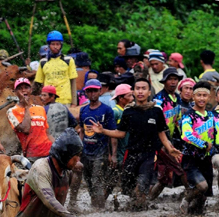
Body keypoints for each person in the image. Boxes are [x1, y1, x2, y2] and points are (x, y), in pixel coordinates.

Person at [98, 79, 181, 209]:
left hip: (149, 155)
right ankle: (139, 205)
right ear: (134, 92)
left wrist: (170, 149)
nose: (140, 91)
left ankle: (140, 208)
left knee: (142, 183)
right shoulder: (128, 111)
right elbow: (121, 133)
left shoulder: (156, 110)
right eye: (138, 88)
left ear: (149, 92)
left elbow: (161, 134)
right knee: (128, 188)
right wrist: (103, 131)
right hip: (131, 154)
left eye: (143, 88)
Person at [77, 78, 117, 208]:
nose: (92, 93)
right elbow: (82, 131)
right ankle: (95, 205)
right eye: (89, 91)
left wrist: (113, 154)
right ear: (86, 93)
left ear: (100, 91)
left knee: (97, 180)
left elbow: (113, 134)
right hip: (86, 151)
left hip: (101, 151)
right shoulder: (83, 111)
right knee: (88, 181)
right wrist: (79, 151)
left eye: (95, 90)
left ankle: (99, 209)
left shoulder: (107, 110)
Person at [148, 67, 188, 201]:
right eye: (170, 79)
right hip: (159, 141)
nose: (173, 82)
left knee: (164, 178)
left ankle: (147, 201)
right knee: (180, 169)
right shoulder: (158, 99)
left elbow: (178, 122)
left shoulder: (176, 98)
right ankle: (191, 196)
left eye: (175, 79)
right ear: (164, 81)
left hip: (170, 140)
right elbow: (154, 122)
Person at [179, 81, 218, 215]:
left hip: (206, 159)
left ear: (209, 97)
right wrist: (203, 144)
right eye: (199, 95)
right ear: (193, 97)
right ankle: (187, 197)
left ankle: (194, 213)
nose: (202, 98)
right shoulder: (188, 116)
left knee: (204, 196)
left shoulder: (212, 116)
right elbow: (186, 135)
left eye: (205, 95)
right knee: (202, 186)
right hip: (191, 157)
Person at [7, 78, 53, 161]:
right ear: (15, 92)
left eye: (26, 88)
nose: (24, 90)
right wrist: (27, 107)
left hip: (48, 152)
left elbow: (47, 133)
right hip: (32, 155)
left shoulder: (40, 108)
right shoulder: (12, 111)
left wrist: (56, 146)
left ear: (30, 90)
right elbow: (26, 129)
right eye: (20, 88)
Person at [34, 30, 78, 106]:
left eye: (57, 44)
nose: (55, 46)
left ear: (61, 45)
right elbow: (39, 83)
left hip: (65, 100)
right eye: (52, 44)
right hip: (48, 101)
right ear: (49, 45)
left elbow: (73, 83)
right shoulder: (43, 62)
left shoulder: (68, 60)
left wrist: (74, 103)